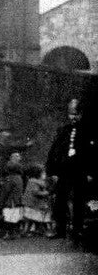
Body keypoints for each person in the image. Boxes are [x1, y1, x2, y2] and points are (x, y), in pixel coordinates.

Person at [46, 98, 90, 242]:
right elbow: (54, 152)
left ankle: (78, 229)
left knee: (78, 201)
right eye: (71, 114)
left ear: (81, 114)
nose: (73, 117)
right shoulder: (63, 131)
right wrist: (52, 171)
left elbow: (93, 154)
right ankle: (60, 230)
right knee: (60, 200)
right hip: (63, 172)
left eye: (76, 114)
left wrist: (91, 173)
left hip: (80, 171)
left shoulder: (87, 131)